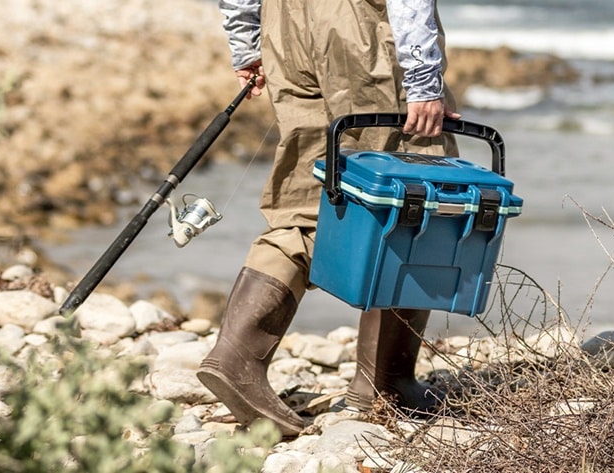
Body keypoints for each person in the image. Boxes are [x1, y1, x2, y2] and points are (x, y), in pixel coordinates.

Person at [197, 0, 461, 437]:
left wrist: (246, 40)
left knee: (303, 199)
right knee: (413, 188)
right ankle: (385, 382)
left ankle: (237, 356)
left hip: (285, 26)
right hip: (360, 26)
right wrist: (422, 78)